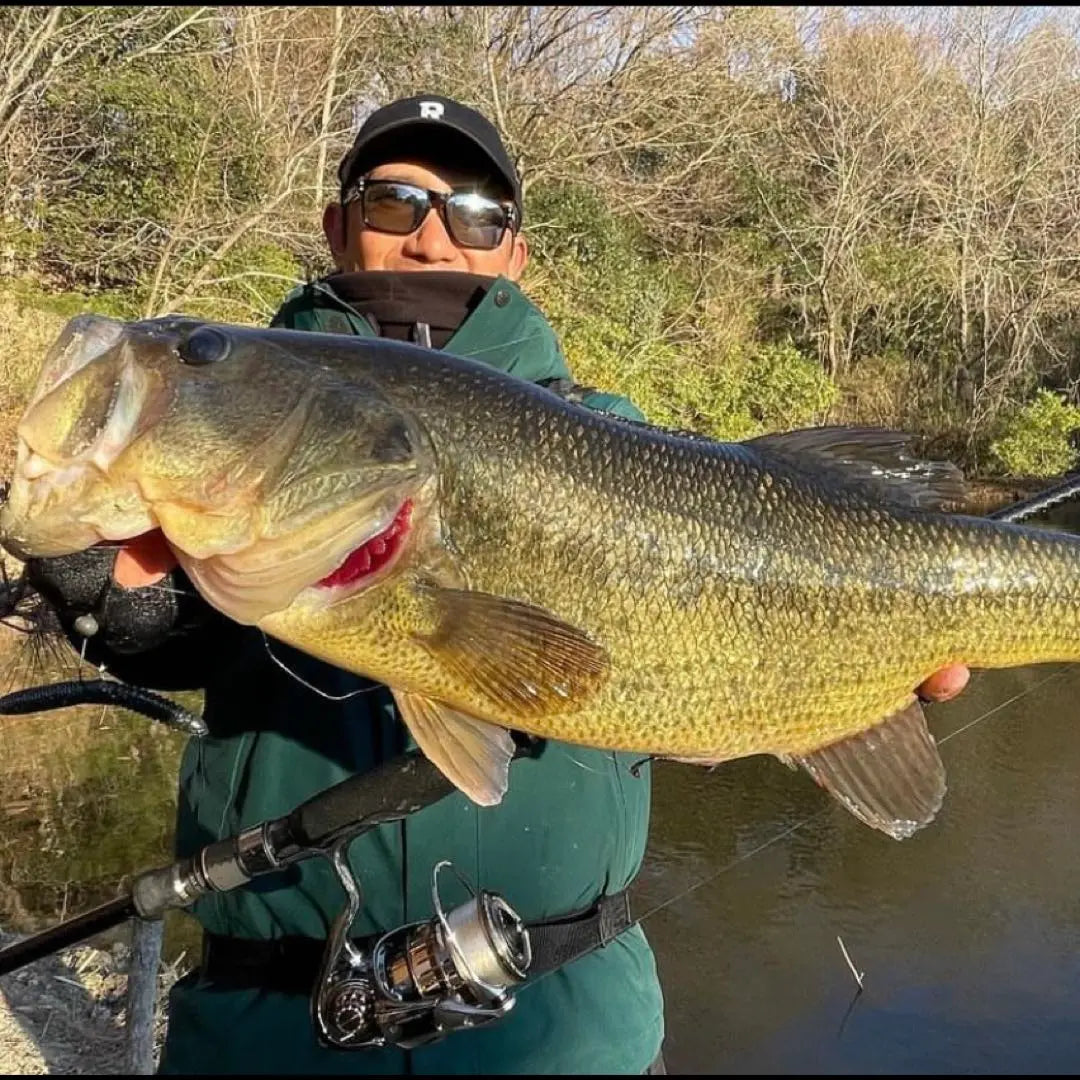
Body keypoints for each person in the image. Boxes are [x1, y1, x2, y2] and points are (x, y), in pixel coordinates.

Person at [24, 93, 970, 1076]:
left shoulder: (613, 429)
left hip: (567, 1029)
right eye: (395, 202)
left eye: (476, 214)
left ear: (514, 253)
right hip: (270, 1029)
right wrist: (102, 586)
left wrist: (798, 689)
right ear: (336, 225)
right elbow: (155, 634)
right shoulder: (248, 423)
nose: (434, 237)